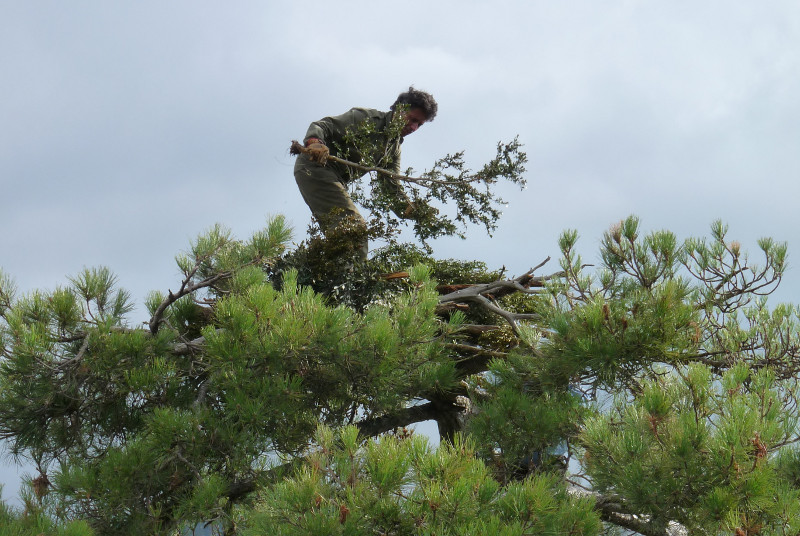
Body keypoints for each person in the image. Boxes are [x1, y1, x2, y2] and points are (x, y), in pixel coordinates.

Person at [294, 86, 438, 260]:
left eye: (419, 124)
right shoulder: (367, 119)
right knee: (353, 227)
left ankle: (326, 272)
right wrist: (315, 143)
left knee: (341, 233)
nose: (414, 127)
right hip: (314, 169)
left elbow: (390, 188)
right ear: (400, 109)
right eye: (412, 119)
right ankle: (352, 279)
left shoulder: (393, 148)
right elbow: (323, 125)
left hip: (334, 179)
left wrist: (412, 210)